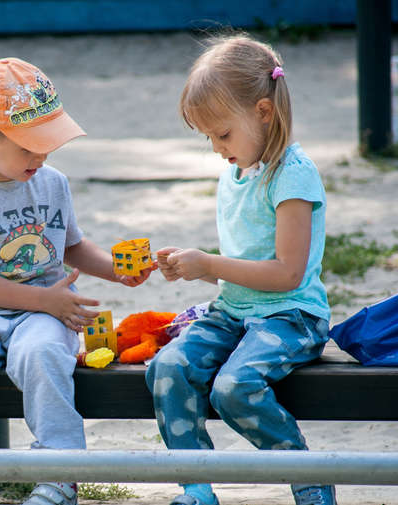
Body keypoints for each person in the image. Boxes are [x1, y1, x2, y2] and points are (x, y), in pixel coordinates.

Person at [0, 57, 153, 505]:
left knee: (43, 355)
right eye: (29, 148)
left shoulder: (51, 182)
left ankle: (59, 471)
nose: (41, 157)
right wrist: (46, 300)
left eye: (47, 145)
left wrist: (118, 271)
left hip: (44, 313)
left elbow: (71, 247)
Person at [147, 34, 333, 505]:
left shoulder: (293, 173)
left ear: (263, 112)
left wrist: (210, 262)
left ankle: (309, 479)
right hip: (235, 312)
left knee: (234, 388)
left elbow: (287, 274)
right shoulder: (235, 171)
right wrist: (196, 268)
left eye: (223, 134)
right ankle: (196, 488)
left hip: (291, 316)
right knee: (168, 368)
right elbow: (243, 269)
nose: (215, 147)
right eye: (208, 136)